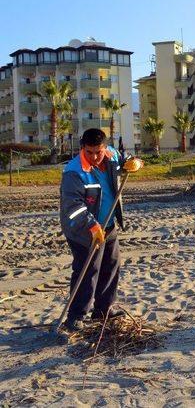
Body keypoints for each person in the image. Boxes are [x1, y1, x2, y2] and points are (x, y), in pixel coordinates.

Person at [59, 128, 143, 331]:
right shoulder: (74, 172)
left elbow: (126, 159)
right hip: (83, 229)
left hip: (109, 223)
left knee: (111, 265)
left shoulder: (111, 155)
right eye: (90, 152)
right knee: (88, 270)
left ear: (105, 148)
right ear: (82, 148)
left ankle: (104, 309)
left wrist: (134, 162)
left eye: (99, 152)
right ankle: (76, 315)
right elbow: (72, 208)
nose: (95, 157)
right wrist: (92, 226)